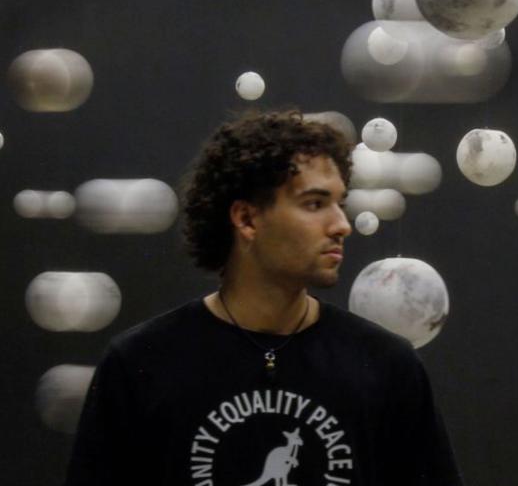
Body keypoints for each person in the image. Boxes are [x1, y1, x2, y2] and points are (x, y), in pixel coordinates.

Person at [65, 109, 463, 486]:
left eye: (339, 204)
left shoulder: (387, 366)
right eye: (315, 204)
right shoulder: (141, 363)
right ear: (246, 219)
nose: (341, 225)